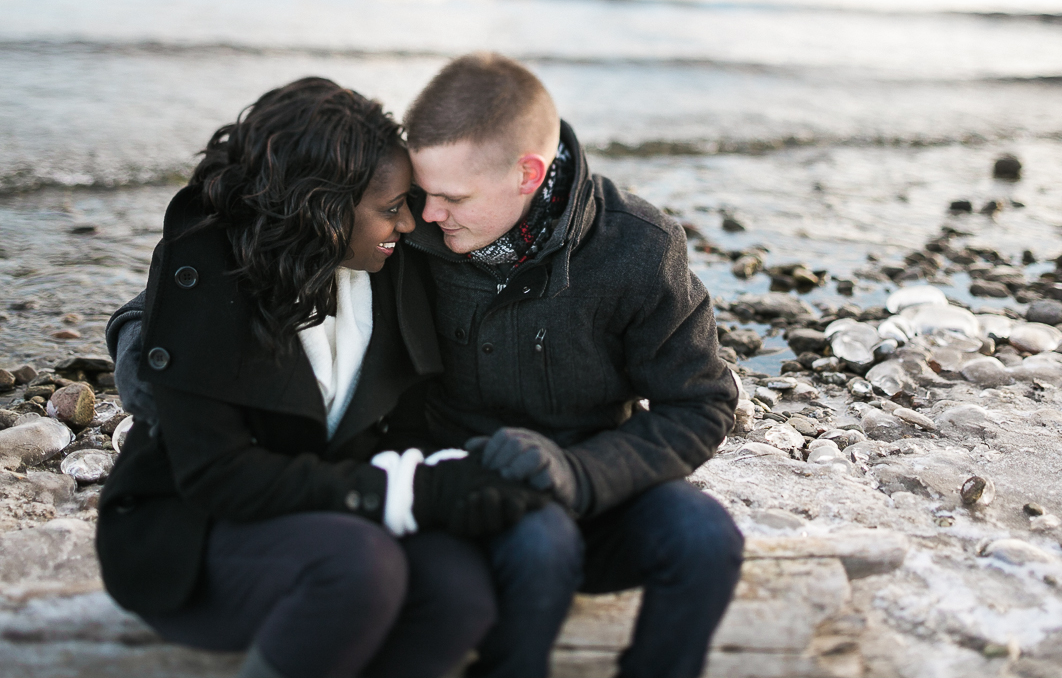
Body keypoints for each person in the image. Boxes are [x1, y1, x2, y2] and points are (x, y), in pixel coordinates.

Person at [98, 77, 546, 678]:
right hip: (196, 542)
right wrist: (403, 493)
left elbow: (408, 419)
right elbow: (219, 476)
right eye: (391, 209)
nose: (412, 223)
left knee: (459, 590)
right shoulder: (207, 281)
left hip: (332, 511)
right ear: (323, 210)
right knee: (357, 567)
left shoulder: (387, 268)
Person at [400, 52, 744, 678]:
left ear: (529, 172)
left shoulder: (636, 246)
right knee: (540, 541)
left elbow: (702, 401)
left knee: (705, 538)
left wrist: (580, 473)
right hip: (460, 492)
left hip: (596, 482)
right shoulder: (407, 238)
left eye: (451, 197)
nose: (428, 214)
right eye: (423, 193)